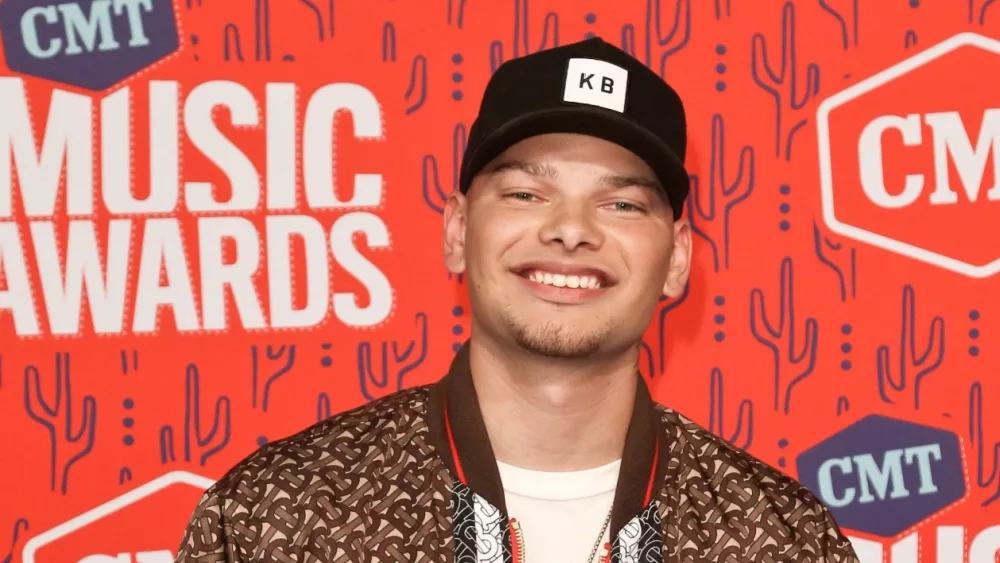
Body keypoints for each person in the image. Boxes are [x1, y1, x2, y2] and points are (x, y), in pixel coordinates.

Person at [174, 37, 860, 563]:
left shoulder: (781, 536)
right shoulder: (281, 515)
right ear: (457, 229)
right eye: (527, 193)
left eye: (620, 202)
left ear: (677, 258)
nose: (570, 229)